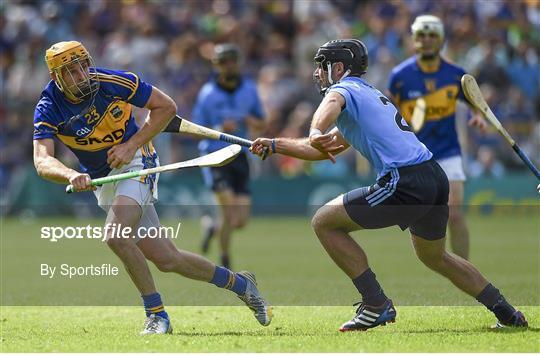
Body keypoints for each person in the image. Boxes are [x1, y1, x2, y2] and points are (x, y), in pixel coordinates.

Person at [251, 39, 527, 331]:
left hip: (404, 180)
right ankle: (507, 313)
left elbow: (328, 109)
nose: (317, 72)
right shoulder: (366, 95)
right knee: (435, 257)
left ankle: (375, 303)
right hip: (432, 176)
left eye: (322, 66)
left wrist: (315, 128)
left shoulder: (342, 90)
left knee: (324, 222)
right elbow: (323, 148)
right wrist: (275, 144)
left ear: (340, 67)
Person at [32, 41, 272, 335]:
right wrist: (70, 174)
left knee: (115, 236)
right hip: (103, 178)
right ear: (57, 77)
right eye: (70, 71)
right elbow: (42, 160)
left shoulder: (114, 82)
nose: (81, 74)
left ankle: (157, 315)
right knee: (167, 259)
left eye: (83, 65)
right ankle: (241, 284)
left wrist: (130, 145)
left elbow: (166, 107)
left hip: (138, 160)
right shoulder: (49, 106)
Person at [387, 15, 488, 260]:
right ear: (413, 39)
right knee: (420, 220)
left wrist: (478, 116)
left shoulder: (456, 74)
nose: (427, 40)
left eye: (433, 35)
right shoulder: (400, 76)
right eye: (421, 35)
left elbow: (477, 102)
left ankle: (467, 270)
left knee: (453, 214)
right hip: (415, 156)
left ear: (441, 40)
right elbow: (387, 111)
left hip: (447, 152)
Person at [193, 43, 266, 269]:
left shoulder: (250, 89)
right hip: (215, 156)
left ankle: (211, 228)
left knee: (239, 221)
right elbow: (195, 127)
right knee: (229, 210)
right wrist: (219, 126)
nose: (228, 66)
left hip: (240, 154)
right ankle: (225, 257)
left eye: (232, 60)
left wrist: (248, 121)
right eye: (223, 62)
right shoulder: (207, 94)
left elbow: (261, 122)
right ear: (216, 65)